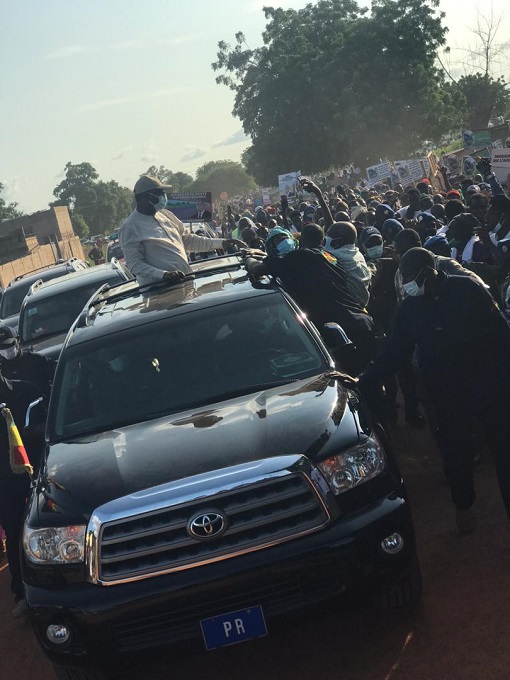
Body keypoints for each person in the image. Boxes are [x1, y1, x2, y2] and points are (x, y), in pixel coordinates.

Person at [359, 247, 510, 533]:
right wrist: (366, 376)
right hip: (447, 396)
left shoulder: (468, 289)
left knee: (505, 454)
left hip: (490, 388)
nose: (407, 285)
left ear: (429, 273)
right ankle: (463, 507)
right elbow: (394, 351)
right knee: (457, 459)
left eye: (411, 278)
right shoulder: (410, 308)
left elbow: (502, 336)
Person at [244, 223, 375, 375]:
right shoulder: (331, 257)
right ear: (323, 240)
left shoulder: (299, 257)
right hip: (362, 322)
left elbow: (257, 269)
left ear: (302, 241)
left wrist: (248, 259)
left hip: (342, 336)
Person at [120, 175, 245, 286]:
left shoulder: (166, 215)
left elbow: (188, 240)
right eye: (160, 193)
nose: (164, 196)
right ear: (147, 196)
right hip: (158, 293)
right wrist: (163, 274)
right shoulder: (130, 227)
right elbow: (135, 265)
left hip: (186, 282)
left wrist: (221, 243)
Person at [0, 369, 46, 617]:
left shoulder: (27, 391)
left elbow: (50, 423)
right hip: (5, 485)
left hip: (39, 474)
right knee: (15, 532)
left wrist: (30, 433)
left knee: (48, 528)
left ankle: (54, 587)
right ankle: (22, 593)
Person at [0, 326, 56, 398]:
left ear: (18, 340)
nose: (6, 349)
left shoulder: (37, 361)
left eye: (9, 343)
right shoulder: (2, 371)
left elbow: (60, 376)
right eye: (1, 346)